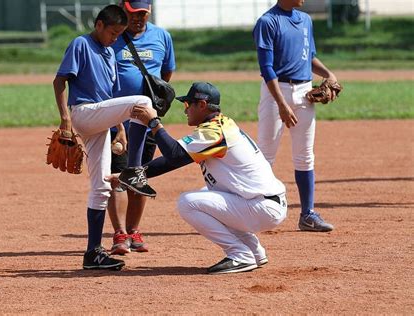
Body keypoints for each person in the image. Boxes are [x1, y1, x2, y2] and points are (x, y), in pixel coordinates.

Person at [107, 82, 288, 274]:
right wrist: (130, 175)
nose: (185, 111)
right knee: (207, 194)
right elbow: (174, 161)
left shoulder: (215, 132)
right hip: (261, 203)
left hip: (261, 207)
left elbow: (174, 154)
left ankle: (239, 254)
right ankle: (254, 250)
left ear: (202, 105)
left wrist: (154, 123)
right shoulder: (221, 125)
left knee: (188, 203)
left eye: (188, 105)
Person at [52, 4, 157, 271]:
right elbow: (59, 81)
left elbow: (109, 99)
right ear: (99, 25)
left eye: (119, 33)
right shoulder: (81, 44)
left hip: (101, 120)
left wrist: (120, 128)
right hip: (84, 112)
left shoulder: (110, 52)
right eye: (112, 32)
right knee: (143, 100)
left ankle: (93, 253)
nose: (114, 38)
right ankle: (134, 168)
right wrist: (65, 119)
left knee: (101, 187)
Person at [252, 0, 338, 232]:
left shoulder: (306, 20)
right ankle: (257, 211)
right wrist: (281, 103)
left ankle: (307, 215)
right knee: (266, 155)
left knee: (305, 155)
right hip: (275, 92)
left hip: (304, 92)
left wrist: (329, 74)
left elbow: (308, 57)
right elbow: (266, 67)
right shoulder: (267, 22)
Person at [106, 0, 176, 255]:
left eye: (143, 14)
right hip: (118, 123)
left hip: (146, 124)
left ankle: (134, 230)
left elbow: (165, 75)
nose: (138, 18)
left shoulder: (162, 37)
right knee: (118, 177)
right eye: (133, 13)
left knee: (140, 175)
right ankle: (119, 234)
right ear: (124, 11)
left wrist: (153, 106)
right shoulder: (113, 38)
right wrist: (115, 122)